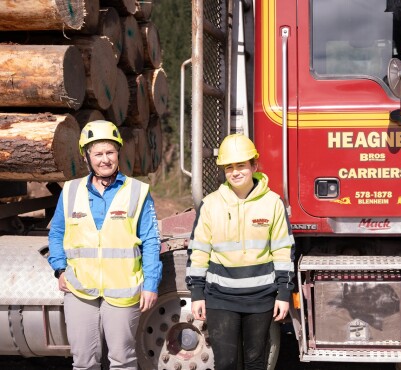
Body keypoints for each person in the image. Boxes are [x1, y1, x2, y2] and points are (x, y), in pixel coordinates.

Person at [48, 120, 162, 370]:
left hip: (123, 291)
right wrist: (60, 268)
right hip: (80, 289)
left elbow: (151, 241)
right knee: (83, 362)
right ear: (86, 156)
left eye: (110, 152)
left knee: (122, 360)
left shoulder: (138, 191)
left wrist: (151, 284)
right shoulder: (70, 191)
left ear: (118, 153)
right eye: (98, 153)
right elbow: (56, 233)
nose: (105, 159)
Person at [186, 133, 295, 370]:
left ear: (254, 165)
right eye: (229, 167)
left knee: (256, 362)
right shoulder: (211, 204)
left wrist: (284, 294)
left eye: (241, 166)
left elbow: (282, 250)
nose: (235, 172)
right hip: (220, 298)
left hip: (261, 297)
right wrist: (197, 293)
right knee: (225, 363)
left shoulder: (273, 203)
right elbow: (199, 251)